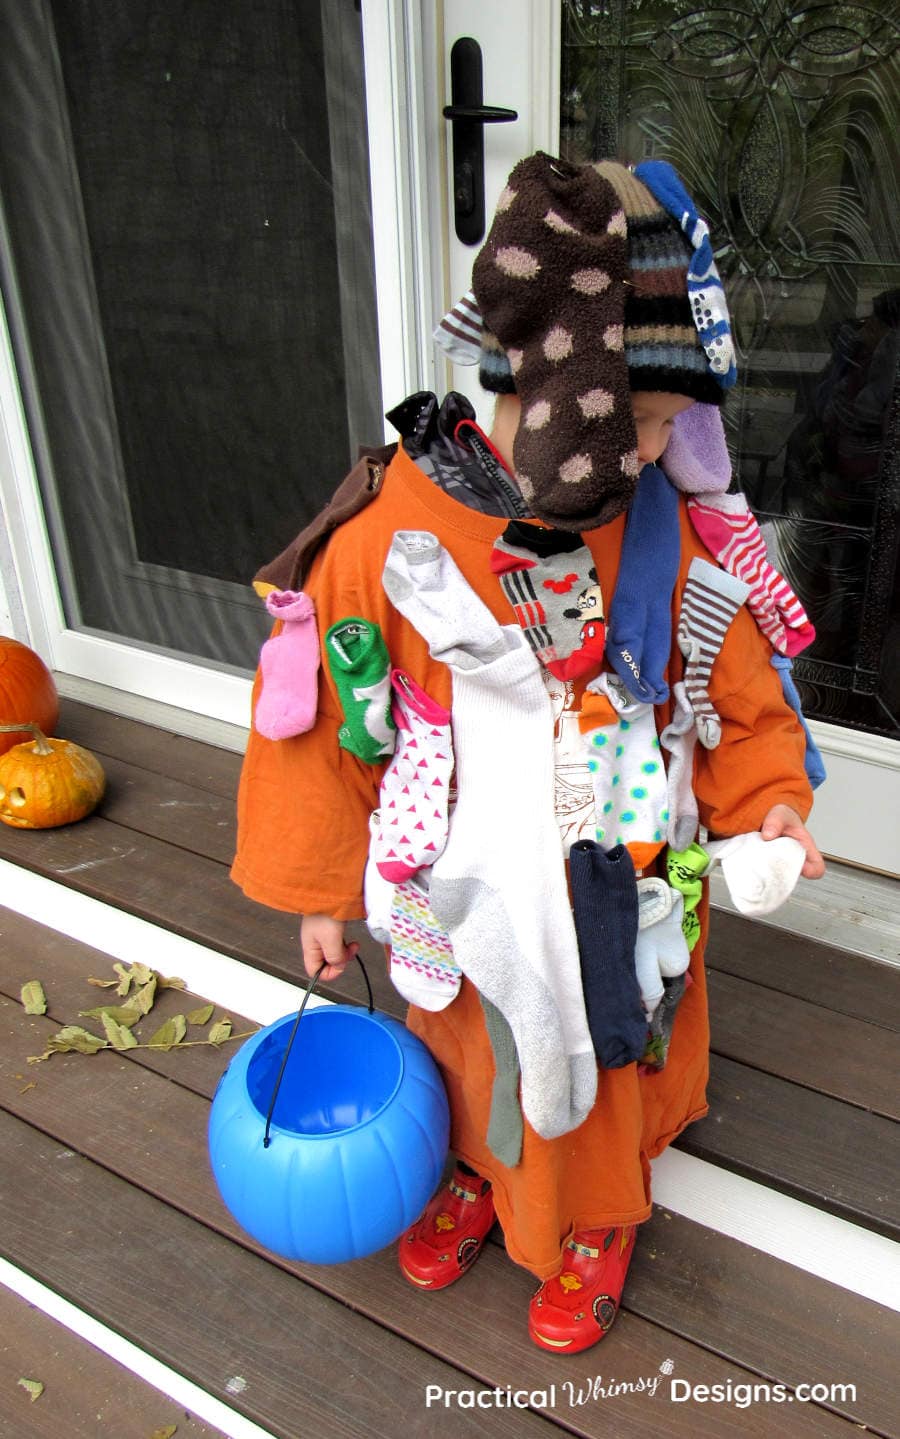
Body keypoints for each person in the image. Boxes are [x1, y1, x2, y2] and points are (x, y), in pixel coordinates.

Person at [232, 153, 824, 1355]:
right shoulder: (387, 521)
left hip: (614, 857)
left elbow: (733, 679)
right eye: (649, 420)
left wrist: (767, 802)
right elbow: (322, 710)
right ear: (568, 388)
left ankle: (593, 1211)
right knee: (460, 1021)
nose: (660, 452)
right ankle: (475, 1163)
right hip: (455, 857)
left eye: (673, 427)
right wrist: (318, 886)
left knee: (600, 1036)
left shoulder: (659, 534)